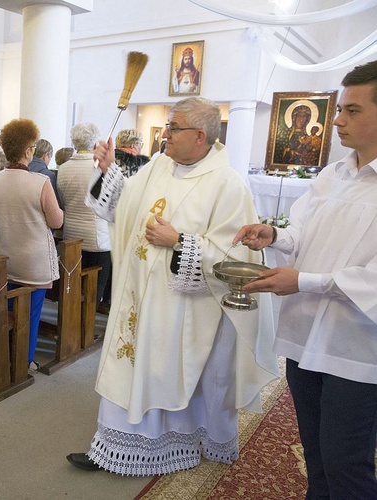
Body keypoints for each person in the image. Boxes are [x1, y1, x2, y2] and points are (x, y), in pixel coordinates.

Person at [66, 97, 278, 475]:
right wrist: (109, 169)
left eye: (173, 127)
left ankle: (180, 441)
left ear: (200, 136)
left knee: (166, 371)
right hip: (139, 296)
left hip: (183, 304)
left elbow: (236, 260)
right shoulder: (160, 166)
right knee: (131, 364)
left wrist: (180, 241)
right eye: (167, 125)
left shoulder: (227, 185)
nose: (165, 134)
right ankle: (113, 443)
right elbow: (125, 208)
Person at [233, 60, 377, 499]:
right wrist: (274, 234)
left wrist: (305, 281)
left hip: (356, 347)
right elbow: (303, 235)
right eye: (339, 109)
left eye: (352, 110)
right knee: (314, 452)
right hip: (304, 335)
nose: (337, 120)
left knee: (345, 461)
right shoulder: (332, 175)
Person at [0, 119, 63, 372]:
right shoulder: (40, 182)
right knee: (30, 315)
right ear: (28, 150)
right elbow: (55, 220)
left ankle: (8, 354)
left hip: (6, 255)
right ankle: (25, 360)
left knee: (10, 310)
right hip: (34, 261)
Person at [57, 123, 111, 308]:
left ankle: (73, 327)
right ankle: (87, 330)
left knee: (73, 286)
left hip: (71, 235)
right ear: (95, 142)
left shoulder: (63, 168)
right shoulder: (99, 168)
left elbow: (63, 203)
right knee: (94, 289)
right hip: (97, 237)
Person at [28, 138, 62, 208]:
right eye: (50, 158)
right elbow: (54, 205)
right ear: (45, 156)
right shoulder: (49, 175)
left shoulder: (22, 170)